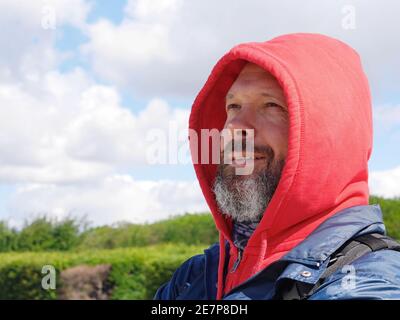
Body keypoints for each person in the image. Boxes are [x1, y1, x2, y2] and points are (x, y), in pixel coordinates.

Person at [154, 33, 400, 300]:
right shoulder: (195, 276)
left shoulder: (370, 283)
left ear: (330, 133)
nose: (235, 127)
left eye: (270, 105)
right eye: (233, 106)